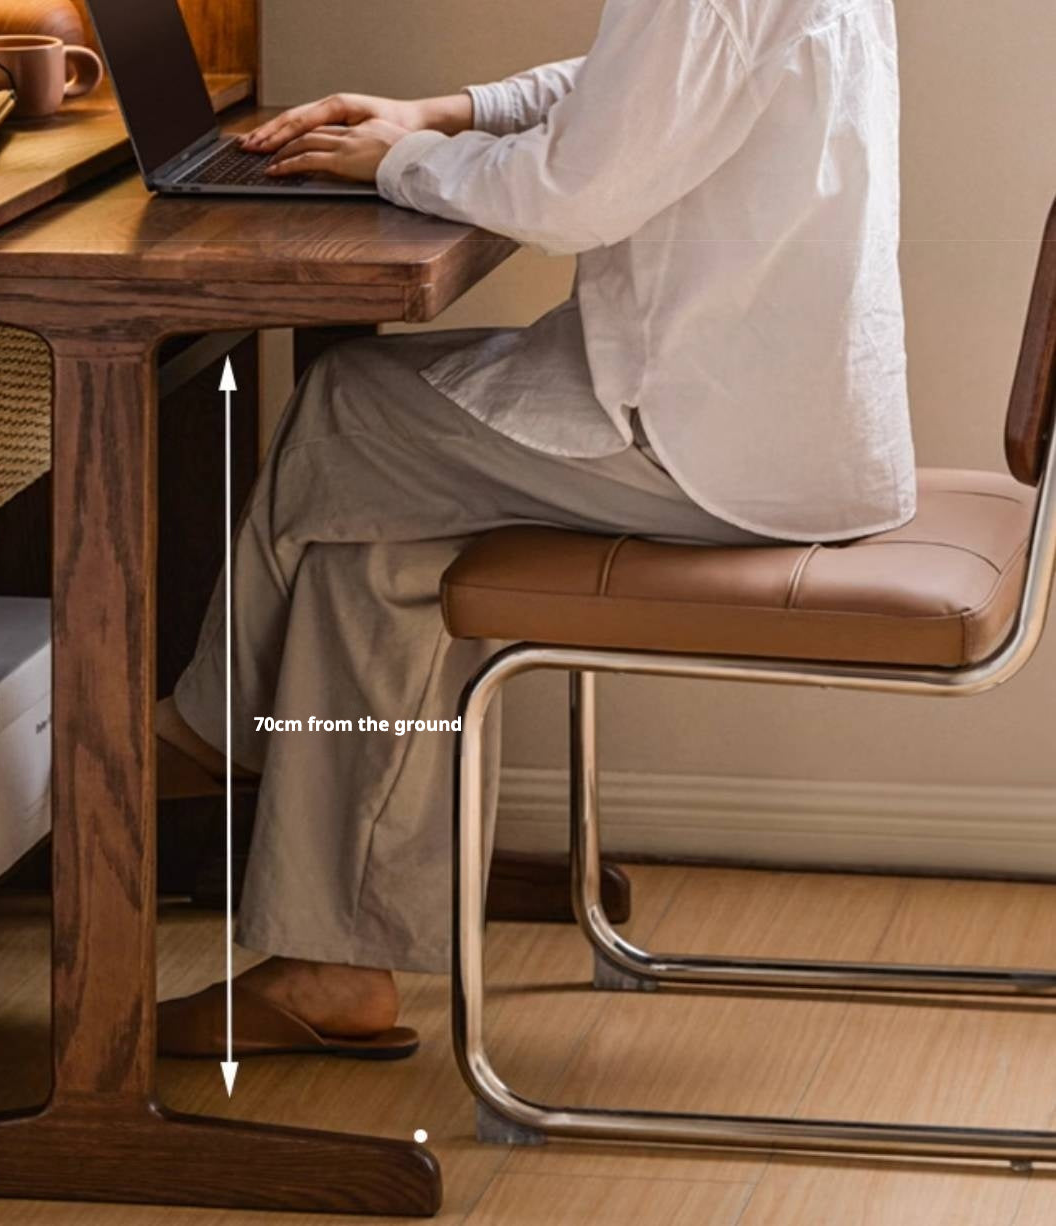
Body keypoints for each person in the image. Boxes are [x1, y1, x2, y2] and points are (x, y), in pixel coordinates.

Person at [156, 0, 915, 1058]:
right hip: (777, 416)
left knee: (347, 410)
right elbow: (636, 88)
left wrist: (403, 157)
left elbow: (572, 194)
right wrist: (446, 111)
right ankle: (328, 966)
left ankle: (205, 735)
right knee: (377, 540)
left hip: (709, 441)